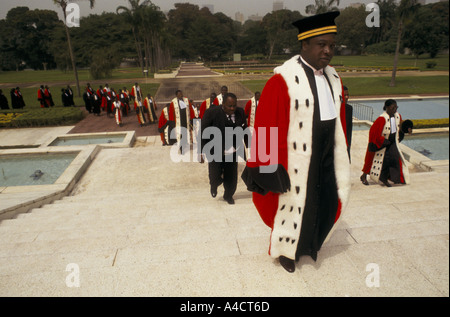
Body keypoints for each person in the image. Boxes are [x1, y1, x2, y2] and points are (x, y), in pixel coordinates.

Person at [241, 11, 351, 273]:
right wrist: (267, 168)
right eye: (321, 45)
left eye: (332, 46)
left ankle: (311, 245)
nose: (327, 51)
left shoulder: (334, 79)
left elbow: (339, 122)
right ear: (304, 45)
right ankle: (287, 253)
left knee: (322, 202)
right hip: (295, 161)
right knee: (293, 206)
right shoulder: (282, 81)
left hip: (326, 155)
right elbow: (266, 126)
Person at [201, 93, 248, 205]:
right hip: (215, 150)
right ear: (223, 104)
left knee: (232, 178)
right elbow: (203, 133)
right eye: (229, 106)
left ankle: (228, 195)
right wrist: (201, 152)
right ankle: (214, 185)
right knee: (215, 175)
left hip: (232, 152)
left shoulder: (240, 112)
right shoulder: (211, 113)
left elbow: (244, 130)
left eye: (234, 106)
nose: (232, 109)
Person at [360, 99, 412, 187]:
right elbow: (373, 132)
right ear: (387, 108)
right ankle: (364, 176)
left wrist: (407, 129)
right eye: (393, 108)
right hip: (383, 142)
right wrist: (382, 141)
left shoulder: (398, 116)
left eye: (396, 107)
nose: (395, 109)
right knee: (371, 160)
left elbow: (401, 127)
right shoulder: (381, 119)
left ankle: (393, 178)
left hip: (392, 141)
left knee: (393, 160)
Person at [343, 86, 353, 159]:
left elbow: (349, 129)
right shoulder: (333, 110)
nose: (347, 97)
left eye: (347, 95)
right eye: (344, 95)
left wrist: (348, 145)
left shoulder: (349, 109)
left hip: (346, 145)